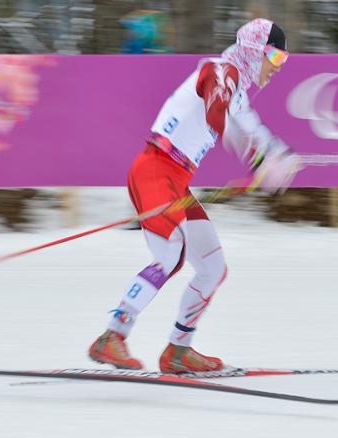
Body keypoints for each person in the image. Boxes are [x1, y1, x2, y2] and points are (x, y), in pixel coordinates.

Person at [89, 18, 301, 373]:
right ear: (255, 52)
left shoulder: (237, 90)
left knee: (212, 267)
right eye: (275, 59)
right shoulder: (222, 72)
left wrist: (274, 157)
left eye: (283, 61)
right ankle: (113, 335)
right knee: (170, 255)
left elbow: (246, 129)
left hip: (175, 179)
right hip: (155, 170)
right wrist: (263, 160)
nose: (277, 69)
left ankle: (178, 350)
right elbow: (218, 110)